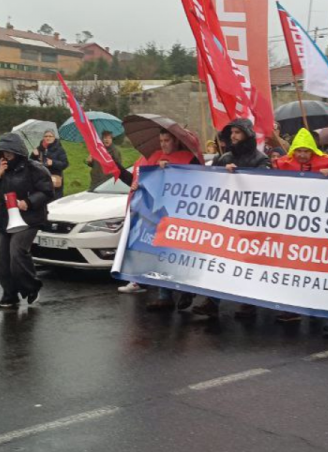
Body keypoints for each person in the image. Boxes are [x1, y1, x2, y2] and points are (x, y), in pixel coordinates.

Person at [185, 118, 269, 320]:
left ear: (247, 135)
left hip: (251, 219)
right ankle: (212, 302)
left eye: (237, 133)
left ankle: (248, 303)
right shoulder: (223, 158)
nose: (233, 137)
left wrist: (241, 175)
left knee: (248, 263)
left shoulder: (261, 160)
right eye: (231, 133)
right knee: (219, 259)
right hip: (226, 219)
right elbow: (211, 183)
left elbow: (266, 187)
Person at [114, 128, 199, 304]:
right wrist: (139, 184)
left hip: (181, 213)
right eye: (161, 141)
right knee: (161, 254)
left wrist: (173, 171)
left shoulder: (189, 158)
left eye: (166, 140)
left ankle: (185, 292)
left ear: (175, 141)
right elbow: (147, 180)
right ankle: (164, 296)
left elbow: (197, 181)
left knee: (179, 256)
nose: (163, 144)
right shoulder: (155, 158)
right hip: (160, 214)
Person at [0, 133, 54, 309]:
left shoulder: (35, 169)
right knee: (3, 260)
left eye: (9, 153)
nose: (5, 157)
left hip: (29, 218)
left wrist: (28, 202)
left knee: (17, 252)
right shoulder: (0, 168)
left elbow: (47, 192)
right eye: (2, 153)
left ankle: (31, 287)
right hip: (5, 220)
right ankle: (9, 294)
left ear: (18, 152)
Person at [32, 130, 69, 197]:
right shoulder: (39, 149)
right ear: (43, 137)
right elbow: (31, 163)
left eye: (50, 136)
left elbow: (65, 164)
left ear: (54, 138)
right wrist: (34, 155)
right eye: (46, 136)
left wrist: (53, 163)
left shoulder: (59, 149)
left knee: (55, 200)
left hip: (55, 179)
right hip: (42, 179)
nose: (48, 138)